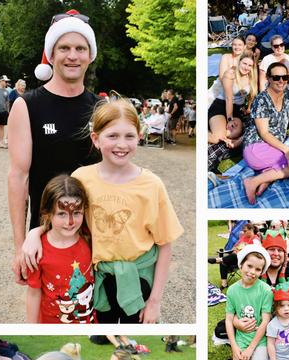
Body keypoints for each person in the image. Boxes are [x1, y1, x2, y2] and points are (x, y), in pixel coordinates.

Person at [24, 99, 184, 324]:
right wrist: (34, 233)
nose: (122, 144)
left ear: (139, 136)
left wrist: (155, 301)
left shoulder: (152, 184)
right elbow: (66, 220)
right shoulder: (82, 178)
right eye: (112, 136)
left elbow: (165, 244)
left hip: (137, 280)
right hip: (96, 279)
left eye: (129, 136)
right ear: (96, 139)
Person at [9, 10, 101, 285]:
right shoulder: (27, 105)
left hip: (95, 235)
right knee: (51, 311)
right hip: (47, 235)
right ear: (51, 54)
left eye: (80, 48)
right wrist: (19, 246)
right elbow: (18, 178)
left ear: (90, 55)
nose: (72, 55)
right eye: (64, 48)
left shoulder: (101, 109)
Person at [241, 63, 289, 205]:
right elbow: (263, 133)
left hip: (275, 145)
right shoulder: (261, 100)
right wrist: (287, 150)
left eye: (284, 77)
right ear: (268, 79)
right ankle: (252, 181)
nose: (281, 81)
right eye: (276, 77)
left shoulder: (288, 92)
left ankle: (268, 177)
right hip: (256, 147)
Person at [25, 175, 94, 324]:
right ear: (48, 213)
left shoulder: (89, 238)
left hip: (88, 322)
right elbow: (33, 293)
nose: (70, 222)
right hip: (52, 324)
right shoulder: (36, 250)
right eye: (62, 214)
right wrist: (31, 327)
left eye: (76, 213)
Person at [226, 244, 273, 360]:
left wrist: (251, 348)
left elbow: (265, 320)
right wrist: (234, 347)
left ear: (262, 272)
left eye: (257, 269)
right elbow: (229, 319)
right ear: (241, 265)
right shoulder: (232, 290)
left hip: (259, 341)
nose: (252, 272)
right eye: (249, 266)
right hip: (240, 340)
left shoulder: (266, 291)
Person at [208, 51, 258, 148]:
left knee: (235, 133)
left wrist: (248, 108)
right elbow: (228, 98)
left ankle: (220, 131)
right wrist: (229, 119)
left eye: (249, 65)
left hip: (237, 109)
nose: (246, 67)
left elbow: (252, 94)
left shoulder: (251, 77)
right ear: (239, 62)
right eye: (244, 63)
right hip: (221, 105)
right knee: (217, 138)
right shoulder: (230, 74)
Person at [208, 223, 261, 289]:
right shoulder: (243, 237)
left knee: (236, 255)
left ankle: (218, 260)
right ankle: (224, 284)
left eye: (245, 231)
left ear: (251, 230)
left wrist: (242, 251)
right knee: (224, 262)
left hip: (246, 260)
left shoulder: (255, 240)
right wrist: (235, 250)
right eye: (243, 231)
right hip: (235, 258)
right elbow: (234, 247)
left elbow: (257, 253)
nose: (243, 232)